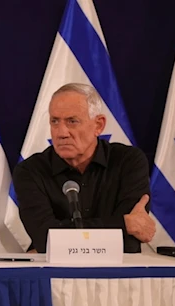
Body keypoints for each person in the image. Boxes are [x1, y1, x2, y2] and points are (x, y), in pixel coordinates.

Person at [12, 83, 155, 253]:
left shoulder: (128, 162)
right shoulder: (30, 171)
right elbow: (45, 238)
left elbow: (130, 240)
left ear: (98, 125)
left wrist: (63, 237)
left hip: (118, 274)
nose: (61, 132)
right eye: (55, 121)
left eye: (72, 121)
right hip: (57, 275)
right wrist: (123, 224)